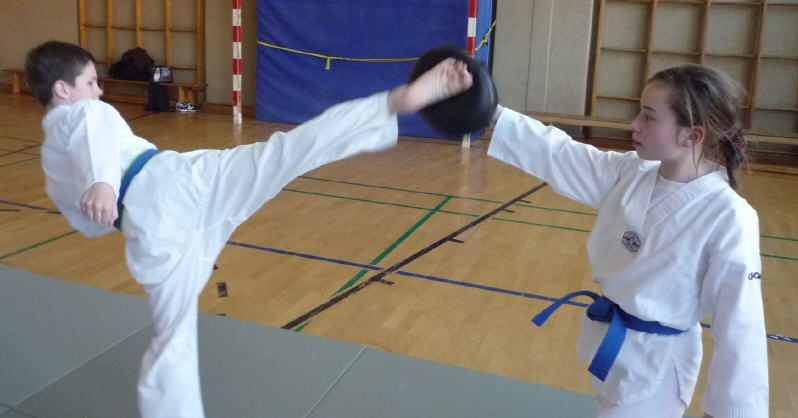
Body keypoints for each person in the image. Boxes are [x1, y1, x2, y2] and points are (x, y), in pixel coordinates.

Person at [25, 40, 472, 418]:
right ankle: (394, 103)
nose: (99, 91)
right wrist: (103, 181)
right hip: (175, 186)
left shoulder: (52, 155)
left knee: (174, 339)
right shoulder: (81, 115)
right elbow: (94, 128)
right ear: (63, 90)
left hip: (153, 232)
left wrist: (103, 189)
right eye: (91, 83)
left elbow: (86, 216)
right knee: (286, 152)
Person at [487, 64, 768, 417]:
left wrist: (730, 411)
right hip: (616, 348)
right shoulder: (632, 172)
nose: (634, 124)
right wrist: (490, 112)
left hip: (657, 367)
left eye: (649, 116)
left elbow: (741, 324)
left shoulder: (728, 215)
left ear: (692, 135)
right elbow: (559, 153)